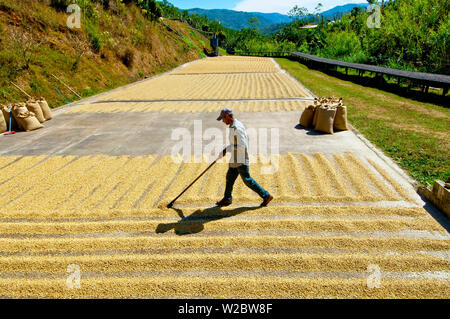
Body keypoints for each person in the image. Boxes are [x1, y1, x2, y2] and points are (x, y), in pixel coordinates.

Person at [215, 108, 273, 207]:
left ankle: (266, 195)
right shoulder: (233, 126)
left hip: (241, 158)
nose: (223, 121)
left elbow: (242, 146)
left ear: (228, 116)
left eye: (223, 119)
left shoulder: (237, 128)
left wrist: (227, 149)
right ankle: (227, 198)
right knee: (230, 177)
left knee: (247, 180)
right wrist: (226, 149)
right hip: (235, 158)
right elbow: (235, 143)